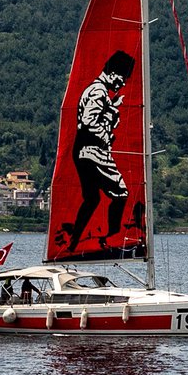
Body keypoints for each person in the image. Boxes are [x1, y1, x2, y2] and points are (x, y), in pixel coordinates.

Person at [66, 50, 135, 254]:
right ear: (112, 73)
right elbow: (89, 122)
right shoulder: (98, 91)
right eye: (122, 79)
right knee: (121, 192)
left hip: (82, 151)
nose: (122, 84)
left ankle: (74, 241)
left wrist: (112, 107)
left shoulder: (98, 92)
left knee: (92, 199)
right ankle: (113, 236)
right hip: (93, 150)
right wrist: (107, 138)